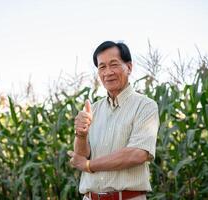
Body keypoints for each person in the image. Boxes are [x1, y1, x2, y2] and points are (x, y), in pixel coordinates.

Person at [68, 41, 159, 200]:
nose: (108, 72)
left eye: (114, 64)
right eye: (102, 67)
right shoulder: (93, 109)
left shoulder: (145, 106)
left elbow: (137, 154)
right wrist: (80, 135)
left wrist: (89, 166)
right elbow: (82, 155)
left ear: (129, 67)